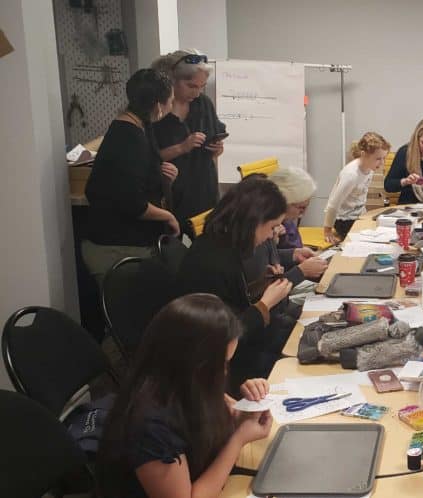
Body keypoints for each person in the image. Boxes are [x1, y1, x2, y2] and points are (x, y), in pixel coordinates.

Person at [97, 294, 272, 498]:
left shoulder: (184, 384)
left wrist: (246, 411)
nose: (224, 373)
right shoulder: (150, 424)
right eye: (220, 364)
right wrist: (238, 439)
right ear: (193, 363)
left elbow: (225, 414)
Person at [177, 176, 293, 390]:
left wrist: (261, 285)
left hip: (238, 350)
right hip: (218, 367)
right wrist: (264, 305)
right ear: (254, 221)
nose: (271, 236)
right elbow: (222, 337)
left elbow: (233, 301)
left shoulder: (225, 246)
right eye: (271, 227)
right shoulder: (211, 261)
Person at [82, 68, 179, 281]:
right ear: (158, 105)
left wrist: (163, 176)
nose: (172, 105)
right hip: (118, 248)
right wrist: (169, 216)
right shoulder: (128, 139)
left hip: (131, 242)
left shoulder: (141, 125)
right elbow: (133, 203)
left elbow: (138, 176)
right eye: (170, 101)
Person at [151, 49, 226, 228]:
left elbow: (216, 148)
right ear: (171, 80)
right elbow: (146, 158)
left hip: (204, 192)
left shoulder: (204, 104)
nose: (197, 93)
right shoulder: (156, 110)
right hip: (169, 196)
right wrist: (181, 148)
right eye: (192, 86)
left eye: (202, 86)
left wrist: (217, 149)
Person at [243, 170, 327, 286]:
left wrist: (294, 254)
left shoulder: (263, 228)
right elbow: (264, 292)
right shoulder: (256, 234)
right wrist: (301, 272)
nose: (303, 214)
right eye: (301, 208)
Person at [324, 132, 391, 243]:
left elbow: (360, 197)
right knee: (366, 241)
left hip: (358, 215)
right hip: (343, 219)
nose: (382, 163)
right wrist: (327, 231)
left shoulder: (369, 168)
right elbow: (333, 205)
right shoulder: (351, 175)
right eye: (378, 159)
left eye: (384, 158)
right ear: (364, 154)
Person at [268, 166, 317, 250]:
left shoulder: (287, 222)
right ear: (283, 202)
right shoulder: (264, 228)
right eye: (301, 209)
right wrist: (273, 244)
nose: (302, 215)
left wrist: (300, 251)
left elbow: (295, 246)